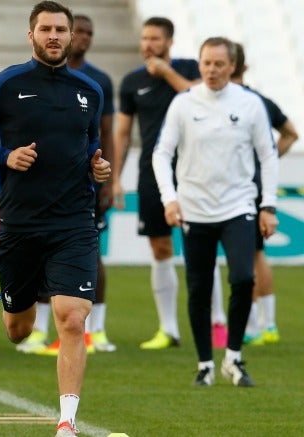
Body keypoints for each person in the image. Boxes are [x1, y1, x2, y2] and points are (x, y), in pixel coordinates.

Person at [0, 2, 111, 435]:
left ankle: (66, 423)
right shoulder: (5, 85)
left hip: (74, 222)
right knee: (18, 330)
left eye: (62, 29)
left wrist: (97, 168)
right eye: (46, 29)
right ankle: (11, 307)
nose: (55, 36)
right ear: (32, 36)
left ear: (72, 35)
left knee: (71, 318)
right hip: (20, 224)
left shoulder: (90, 90)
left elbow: (92, 148)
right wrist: (5, 156)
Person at [152, 37, 279, 387]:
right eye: (206, 63)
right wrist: (170, 199)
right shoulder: (183, 103)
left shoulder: (250, 104)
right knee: (199, 289)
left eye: (218, 64)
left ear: (232, 66)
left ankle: (234, 358)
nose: (211, 70)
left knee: (243, 278)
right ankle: (205, 363)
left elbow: (268, 155)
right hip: (193, 210)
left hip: (239, 206)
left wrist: (267, 206)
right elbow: (161, 153)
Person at [112, 17, 214, 350]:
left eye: (155, 39)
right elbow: (124, 133)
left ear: (170, 41)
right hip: (151, 173)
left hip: (195, 171)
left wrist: (167, 73)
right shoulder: (131, 82)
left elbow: (204, 99)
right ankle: (168, 329)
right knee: (159, 248)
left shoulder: (190, 68)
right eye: (144, 39)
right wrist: (114, 178)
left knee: (201, 247)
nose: (148, 45)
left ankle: (218, 325)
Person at [31, 13, 117, 357]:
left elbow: (107, 133)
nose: (82, 36)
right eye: (77, 30)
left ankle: (95, 330)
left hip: (86, 184)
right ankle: (39, 329)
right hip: (43, 185)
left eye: (87, 32)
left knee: (91, 254)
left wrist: (110, 178)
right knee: (39, 252)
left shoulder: (99, 81)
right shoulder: (39, 78)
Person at [226, 43, 297, 346]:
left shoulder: (238, 102)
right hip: (249, 184)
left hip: (242, 187)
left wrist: (262, 161)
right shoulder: (262, 100)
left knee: (249, 256)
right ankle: (264, 324)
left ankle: (260, 325)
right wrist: (268, 158)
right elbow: (291, 133)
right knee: (255, 255)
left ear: (229, 66)